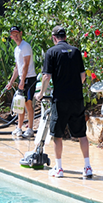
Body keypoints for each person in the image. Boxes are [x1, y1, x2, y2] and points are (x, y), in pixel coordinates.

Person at [35, 26, 92, 179]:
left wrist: (40, 94)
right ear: (65, 36)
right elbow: (83, 76)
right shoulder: (75, 51)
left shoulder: (51, 52)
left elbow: (46, 77)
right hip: (77, 98)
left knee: (57, 134)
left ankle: (59, 168)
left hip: (60, 99)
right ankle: (87, 167)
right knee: (81, 134)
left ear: (54, 38)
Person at [3, 26, 37, 138]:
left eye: (17, 34)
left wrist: (22, 81)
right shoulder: (16, 49)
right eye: (13, 34)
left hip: (29, 78)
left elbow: (26, 64)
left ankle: (30, 129)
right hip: (22, 78)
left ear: (20, 33)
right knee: (19, 104)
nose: (15, 36)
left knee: (28, 103)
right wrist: (12, 82)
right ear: (11, 36)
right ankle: (19, 128)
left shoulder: (25, 46)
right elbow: (17, 67)